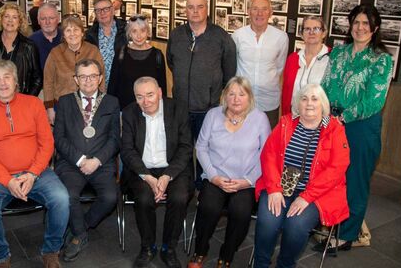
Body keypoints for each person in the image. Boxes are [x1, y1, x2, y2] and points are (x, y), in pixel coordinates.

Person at [0, 59, 69, 268]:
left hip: (37, 172)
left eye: (7, 77)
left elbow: (47, 143)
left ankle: (51, 251)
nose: (3, 83)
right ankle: (0, 257)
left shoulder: (34, 103)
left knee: (61, 198)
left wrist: (33, 173)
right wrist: (8, 180)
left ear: (16, 80)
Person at [319, 4, 393, 251]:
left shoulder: (381, 59)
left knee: (355, 181)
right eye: (356, 22)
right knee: (332, 177)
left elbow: (375, 100)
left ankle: (347, 235)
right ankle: (330, 224)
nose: (360, 28)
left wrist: (344, 115)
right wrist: (324, 111)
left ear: (375, 28)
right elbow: (326, 85)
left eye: (365, 23)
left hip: (361, 127)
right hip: (333, 122)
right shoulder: (339, 52)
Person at [253, 84, 350, 268]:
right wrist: (274, 189)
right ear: (298, 103)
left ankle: (285, 264)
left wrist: (307, 196)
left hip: (316, 195)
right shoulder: (286, 123)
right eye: (304, 98)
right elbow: (269, 155)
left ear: (323, 104)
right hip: (280, 187)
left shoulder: (335, 130)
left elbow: (337, 168)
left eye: (315, 99)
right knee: (268, 221)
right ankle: (260, 263)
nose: (309, 103)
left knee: (295, 226)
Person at [188, 77, 270, 268]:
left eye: (241, 94)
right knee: (208, 207)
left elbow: (266, 154)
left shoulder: (260, 118)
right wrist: (214, 176)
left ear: (249, 97)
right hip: (216, 176)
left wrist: (247, 181)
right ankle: (200, 251)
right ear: (224, 96)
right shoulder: (213, 115)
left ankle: (227, 255)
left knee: (241, 212)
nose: (236, 99)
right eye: (231, 93)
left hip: (245, 180)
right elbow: (200, 148)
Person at [121, 76, 193, 268]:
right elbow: (127, 151)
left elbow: (186, 147)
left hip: (173, 168)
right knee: (144, 199)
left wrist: (167, 175)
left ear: (160, 92)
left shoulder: (178, 109)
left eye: (150, 95)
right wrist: (148, 177)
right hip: (142, 170)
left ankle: (169, 248)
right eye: (140, 97)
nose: (146, 101)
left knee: (179, 198)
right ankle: (148, 247)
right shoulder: (129, 113)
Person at [54, 59, 120, 262]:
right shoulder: (64, 102)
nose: (88, 80)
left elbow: (115, 139)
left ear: (100, 78)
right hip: (71, 163)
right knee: (68, 196)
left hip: (101, 163)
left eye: (92, 76)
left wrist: (97, 160)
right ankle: (80, 236)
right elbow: (59, 138)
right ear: (76, 79)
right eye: (82, 76)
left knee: (110, 197)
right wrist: (81, 159)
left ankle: (79, 225)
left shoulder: (111, 102)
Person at [166, 0, 236, 185]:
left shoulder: (220, 37)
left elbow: (229, 72)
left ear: (207, 9)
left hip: (209, 108)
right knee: (183, 147)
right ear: (185, 10)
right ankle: (185, 185)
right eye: (190, 7)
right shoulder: (177, 35)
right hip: (181, 107)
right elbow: (171, 62)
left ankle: (203, 186)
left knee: (207, 150)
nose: (195, 11)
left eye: (200, 7)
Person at [232, 0, 289, 127]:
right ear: (248, 12)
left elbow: (280, 66)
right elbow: (232, 65)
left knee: (267, 143)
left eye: (264, 9)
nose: (259, 13)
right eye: (255, 9)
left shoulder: (281, 37)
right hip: (242, 100)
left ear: (270, 12)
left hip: (269, 101)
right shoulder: (238, 36)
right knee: (241, 139)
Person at [43, 15, 104, 125]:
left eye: (76, 29)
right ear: (64, 35)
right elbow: (48, 82)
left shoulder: (93, 51)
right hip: (61, 106)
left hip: (89, 105)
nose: (72, 34)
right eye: (68, 30)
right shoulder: (55, 53)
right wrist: (50, 108)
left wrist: (101, 103)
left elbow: (101, 78)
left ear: (82, 33)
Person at [108, 14, 167, 109]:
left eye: (142, 31)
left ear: (148, 32)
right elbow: (112, 86)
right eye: (134, 31)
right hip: (125, 110)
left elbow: (162, 88)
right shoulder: (121, 54)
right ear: (129, 33)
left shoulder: (157, 55)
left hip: (150, 110)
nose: (139, 36)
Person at [280, 16, 329, 115]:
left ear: (324, 33)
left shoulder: (332, 59)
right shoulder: (293, 58)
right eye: (307, 29)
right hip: (294, 119)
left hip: (320, 122)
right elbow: (285, 92)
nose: (311, 32)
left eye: (316, 28)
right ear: (302, 34)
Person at [0, 2, 42, 96]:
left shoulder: (29, 46)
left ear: (20, 22)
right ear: (1, 19)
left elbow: (37, 78)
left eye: (15, 17)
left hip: (21, 99)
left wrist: (27, 100)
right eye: (7, 16)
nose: (10, 20)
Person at [85, 0, 127, 87]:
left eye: (106, 9)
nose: (102, 13)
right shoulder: (89, 35)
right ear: (95, 13)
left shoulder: (126, 30)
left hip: (121, 83)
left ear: (112, 10)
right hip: (97, 85)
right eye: (98, 10)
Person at [30, 3, 63, 71]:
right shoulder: (30, 42)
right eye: (43, 19)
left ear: (58, 19)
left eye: (51, 18)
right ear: (38, 21)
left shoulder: (67, 38)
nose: (47, 22)